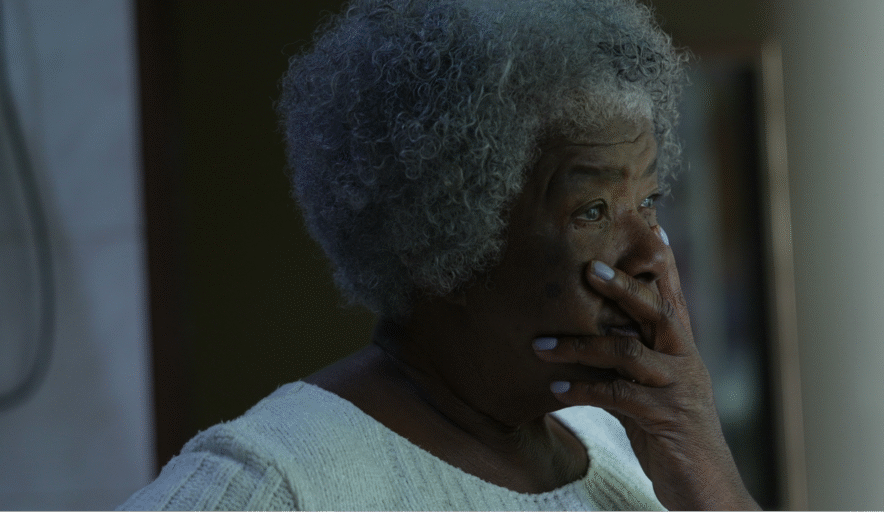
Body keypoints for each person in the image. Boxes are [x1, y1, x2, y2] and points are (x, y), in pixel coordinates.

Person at [119, 0, 759, 509]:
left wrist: (710, 481)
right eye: (592, 211)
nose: (651, 252)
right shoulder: (275, 483)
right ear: (445, 241)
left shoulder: (622, 445)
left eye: (648, 200)